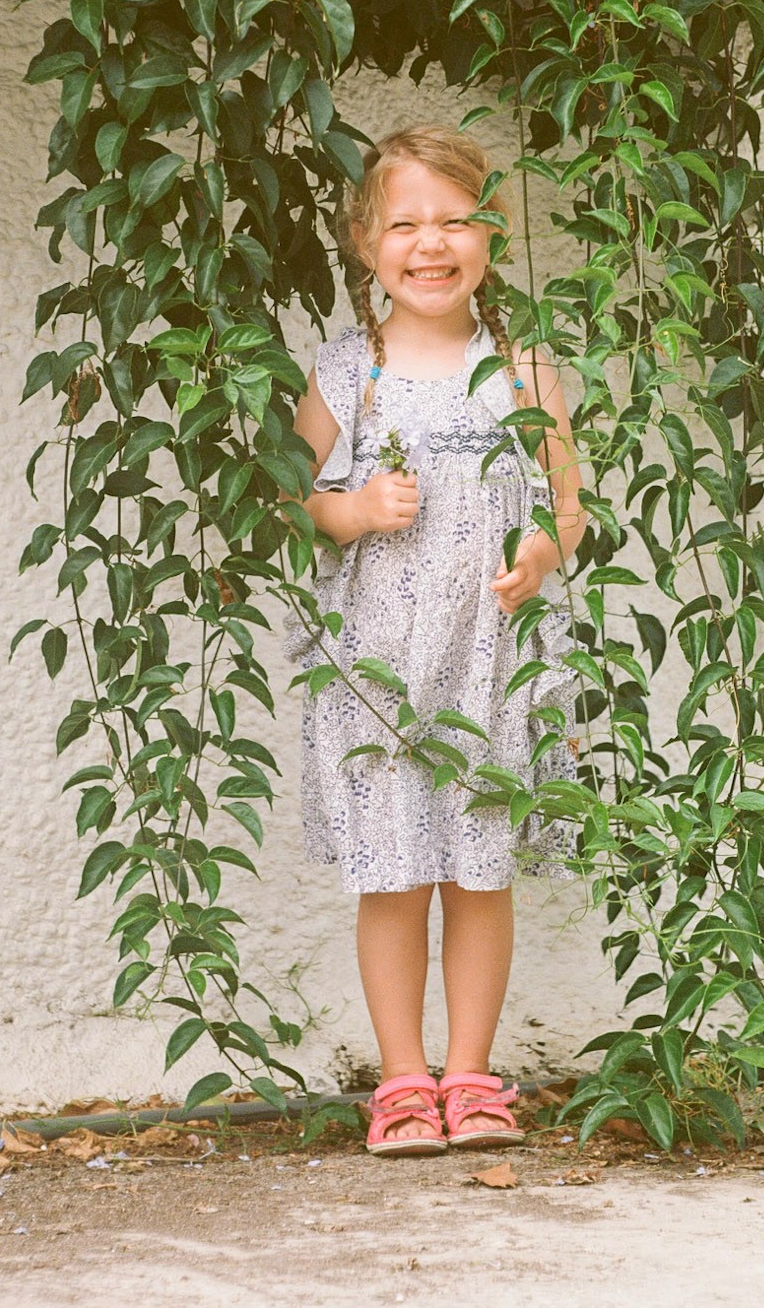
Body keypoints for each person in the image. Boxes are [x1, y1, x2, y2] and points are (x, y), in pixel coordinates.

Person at [290, 126, 585, 1157]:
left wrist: (540, 554)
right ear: (366, 242)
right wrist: (355, 506)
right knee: (393, 875)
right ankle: (401, 1077)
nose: (430, 242)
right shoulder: (345, 371)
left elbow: (565, 501)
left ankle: (470, 1072)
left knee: (477, 870)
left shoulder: (519, 368)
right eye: (404, 222)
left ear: (489, 235)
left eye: (454, 219)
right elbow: (291, 500)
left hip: (486, 662)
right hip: (375, 672)